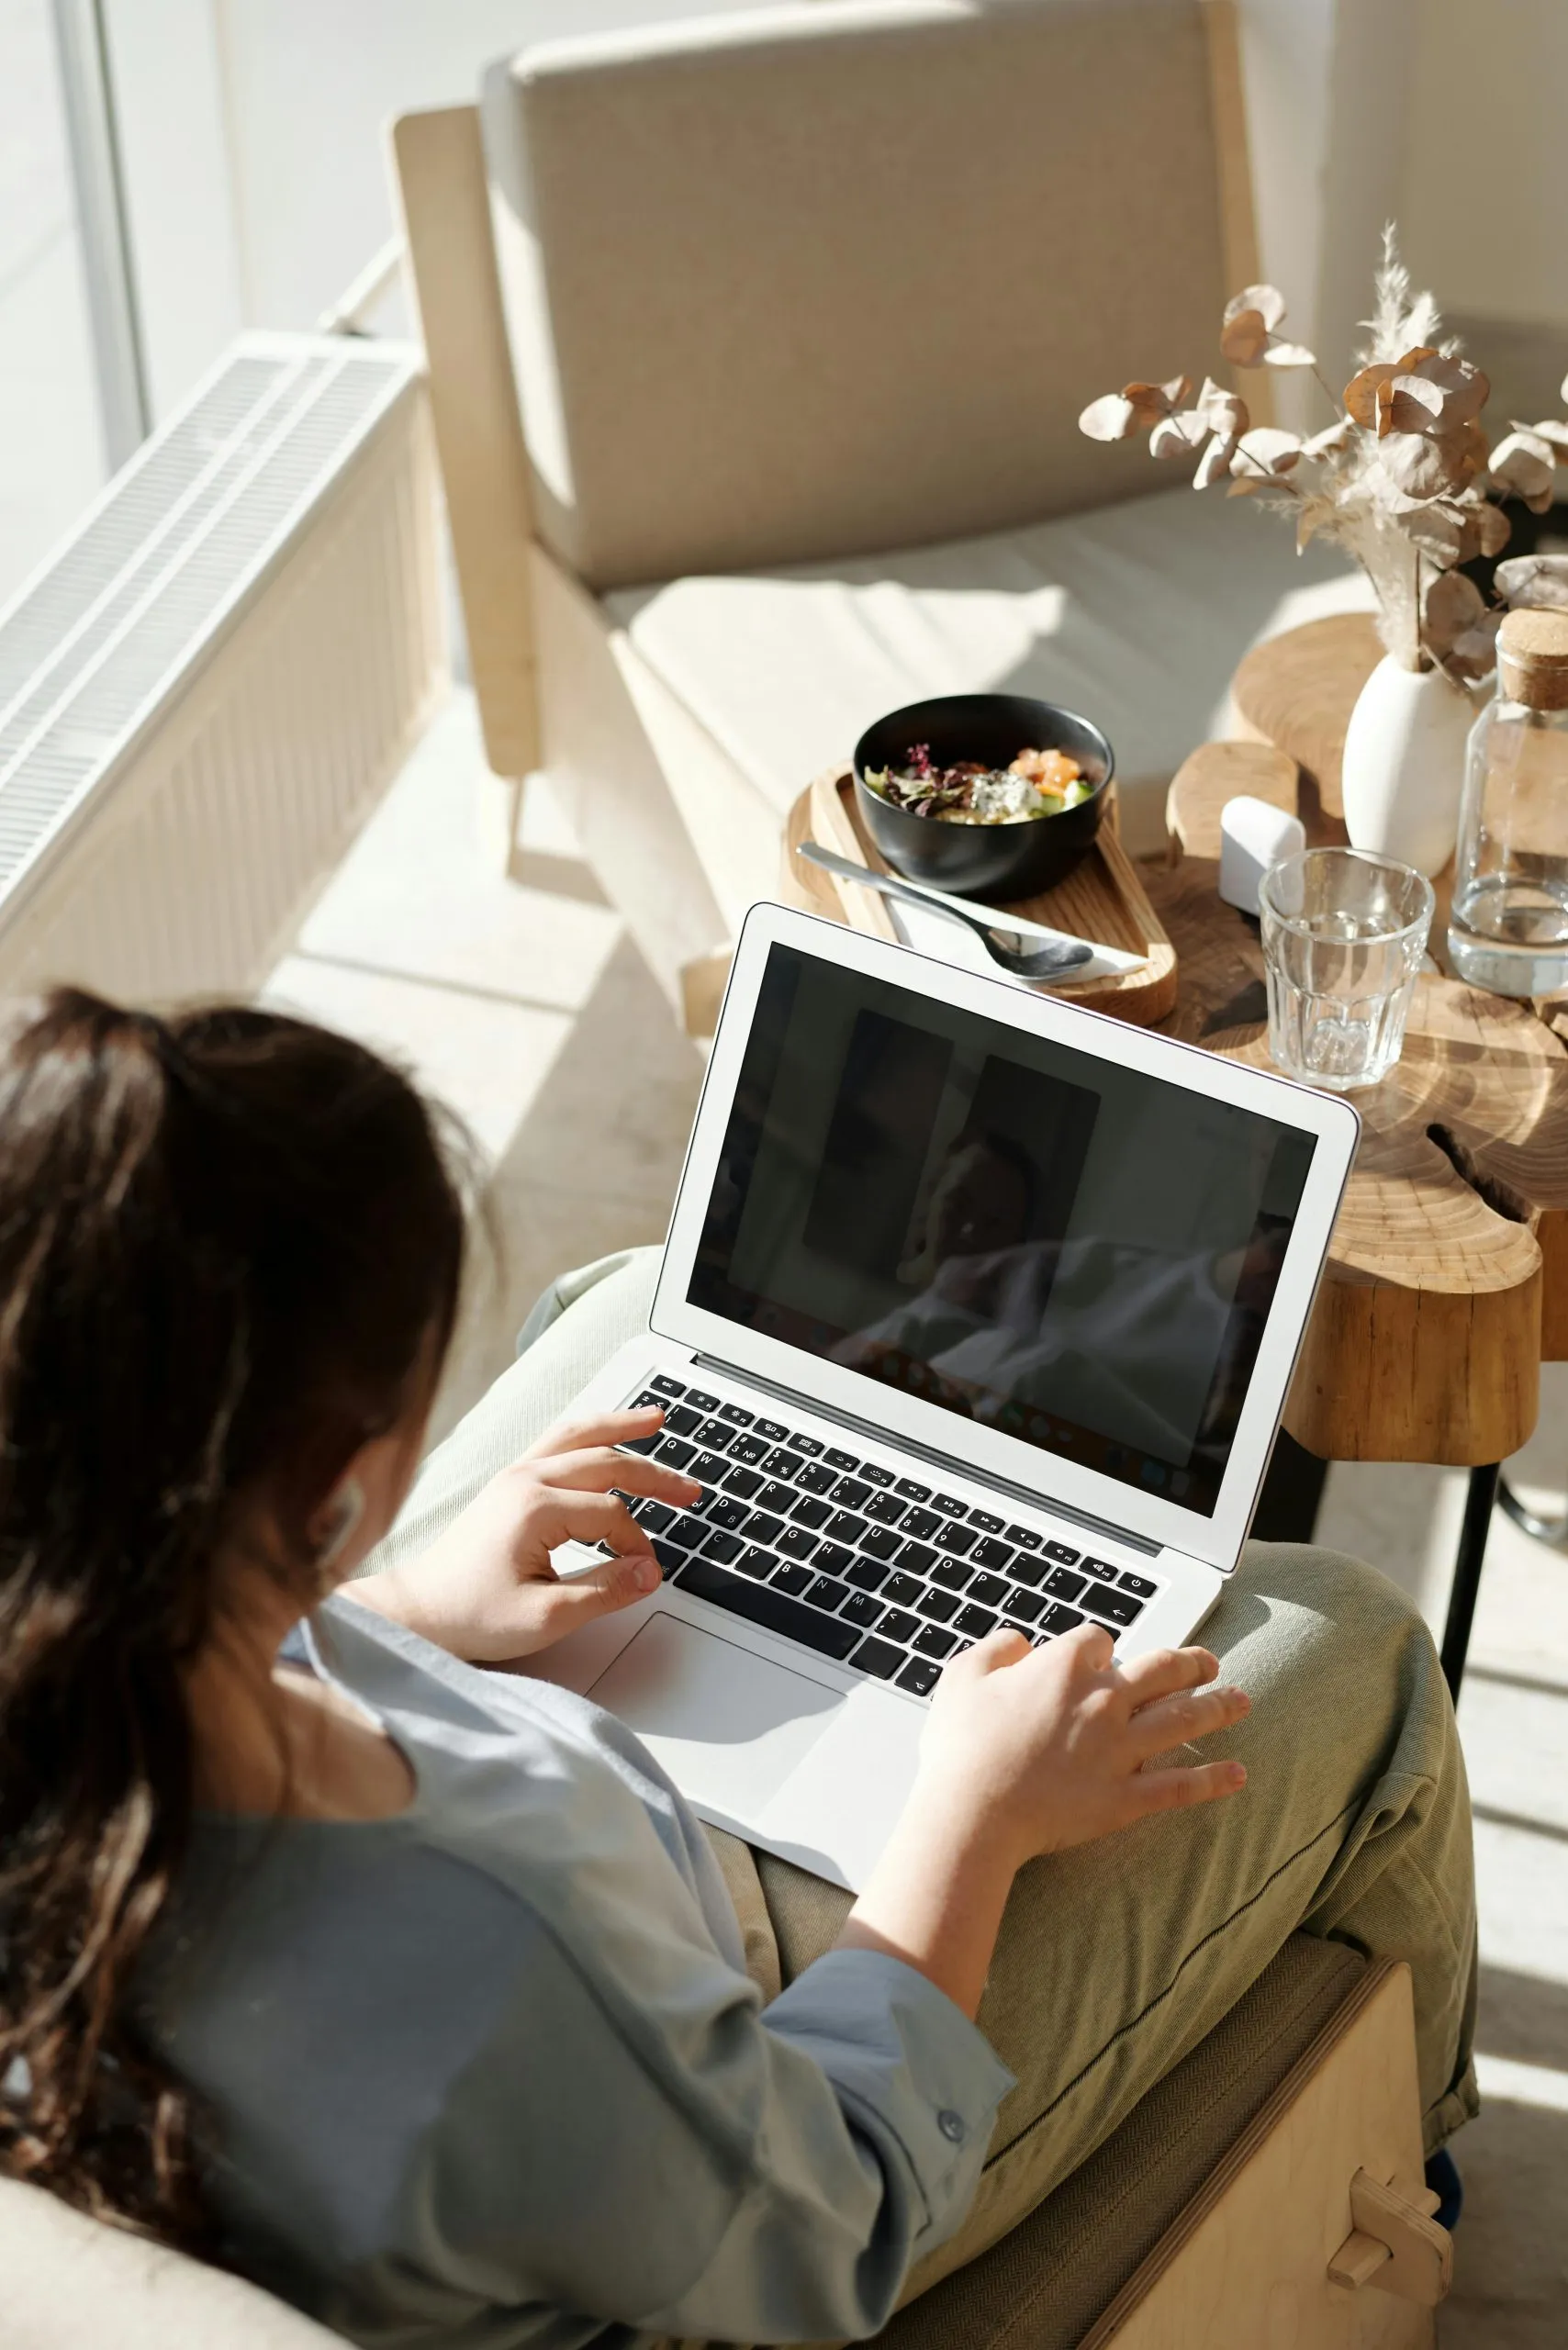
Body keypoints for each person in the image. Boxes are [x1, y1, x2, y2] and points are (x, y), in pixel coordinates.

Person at [0, 990, 1477, 2349]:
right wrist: (975, 1816)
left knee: (632, 1294)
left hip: (499, 2072)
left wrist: (383, 1617)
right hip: (746, 2171)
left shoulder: (77, 1678)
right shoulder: (500, 1950)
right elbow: (835, 2211)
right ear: (332, 1477)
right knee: (1357, 1649)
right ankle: (1411, 2195)